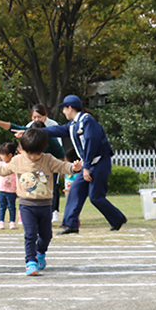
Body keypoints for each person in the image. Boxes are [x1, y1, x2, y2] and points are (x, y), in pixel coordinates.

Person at [0, 128, 82, 275]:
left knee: (46, 236)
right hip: (26, 205)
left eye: (36, 153)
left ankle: (40, 254)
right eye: (29, 153)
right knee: (30, 234)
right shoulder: (17, 161)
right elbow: (2, 171)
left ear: (43, 149)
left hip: (45, 206)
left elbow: (63, 166)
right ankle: (30, 262)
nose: (32, 157)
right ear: (22, 149)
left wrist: (73, 168)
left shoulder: (48, 159)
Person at [42, 94, 128, 234]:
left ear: (70, 108)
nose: (63, 112)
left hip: (99, 162)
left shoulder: (88, 121)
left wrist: (86, 167)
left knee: (96, 197)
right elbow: (56, 130)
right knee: (75, 190)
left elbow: (91, 144)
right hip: (90, 164)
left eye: (64, 109)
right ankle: (71, 225)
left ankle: (118, 218)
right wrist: (34, 131)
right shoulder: (74, 124)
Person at [0, 112, 64, 223]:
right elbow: (13, 127)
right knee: (29, 191)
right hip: (30, 169)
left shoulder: (52, 141)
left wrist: (54, 169)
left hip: (45, 168)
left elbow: (61, 157)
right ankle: (26, 216)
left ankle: (51, 213)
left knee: (46, 190)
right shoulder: (27, 136)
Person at [0, 142, 18, 230]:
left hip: (11, 190)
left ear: (10, 155)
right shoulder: (1, 163)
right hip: (1, 189)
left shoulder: (15, 165)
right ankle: (1, 221)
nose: (1, 156)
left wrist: (18, 188)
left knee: (12, 207)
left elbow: (18, 177)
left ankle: (12, 221)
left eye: (3, 154)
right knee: (2, 207)